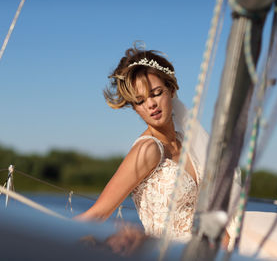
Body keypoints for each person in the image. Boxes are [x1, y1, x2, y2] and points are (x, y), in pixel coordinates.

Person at [75, 43, 230, 248]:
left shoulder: (186, 141)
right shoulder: (148, 149)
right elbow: (98, 213)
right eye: (140, 101)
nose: (151, 105)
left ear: (171, 90)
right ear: (135, 108)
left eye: (156, 93)